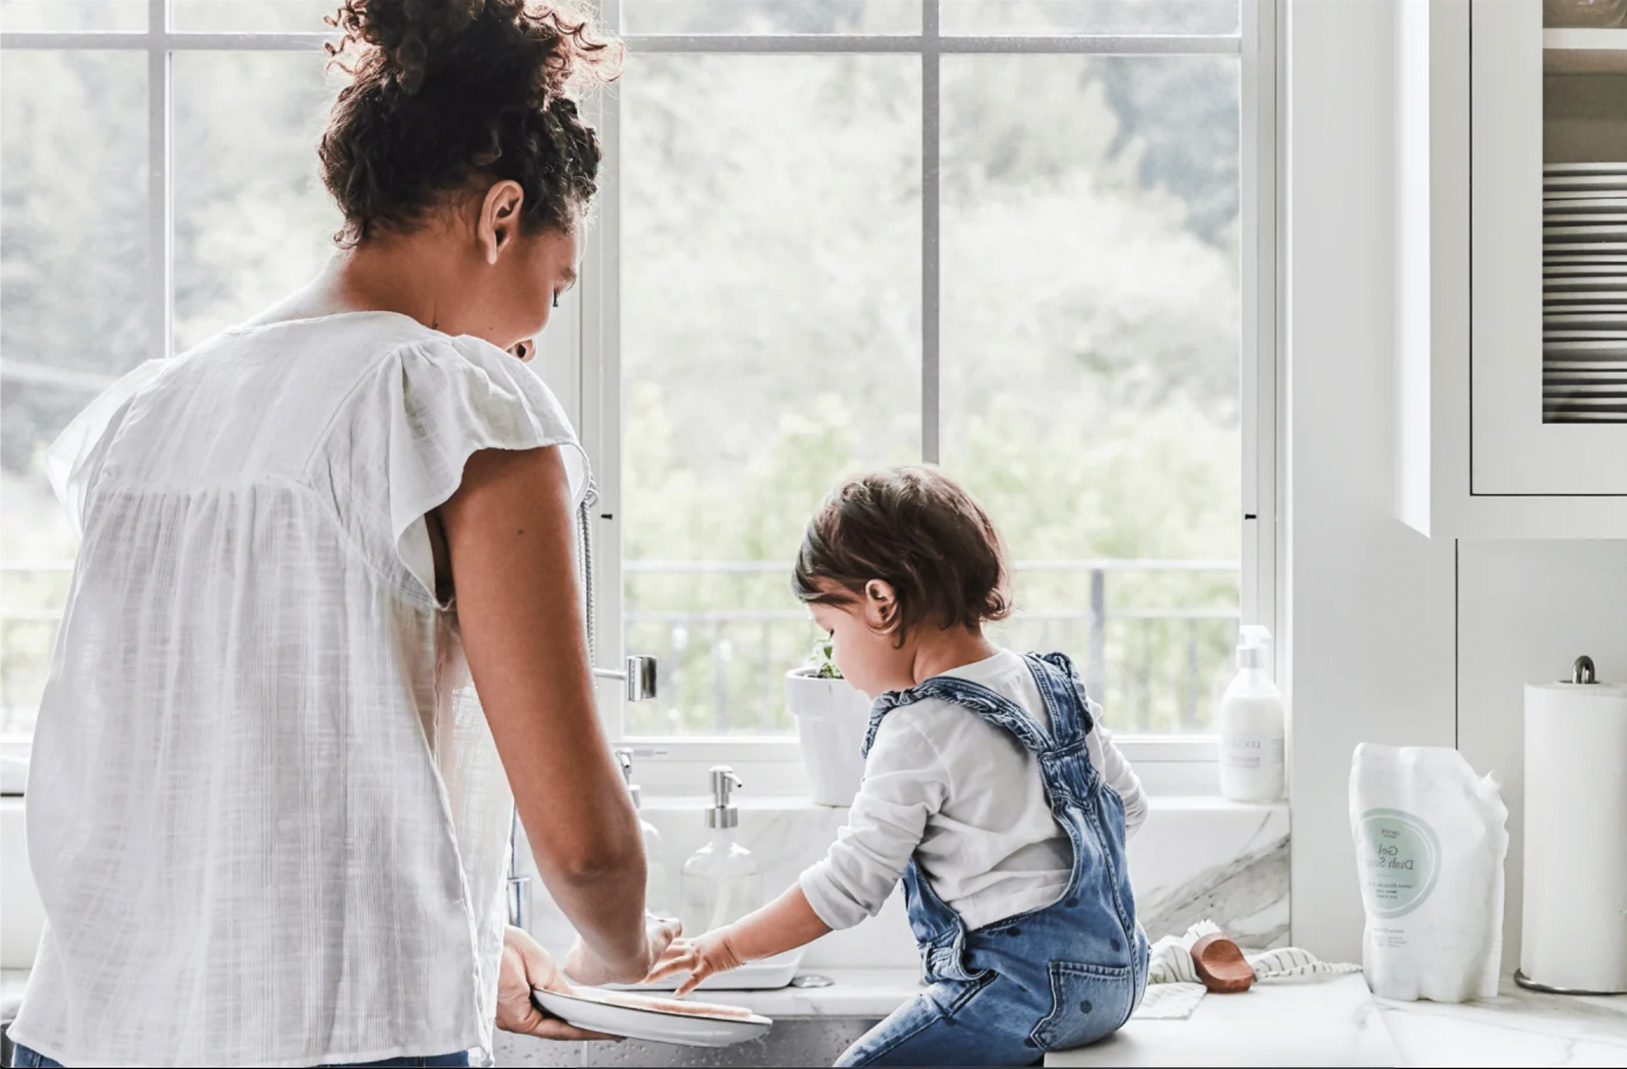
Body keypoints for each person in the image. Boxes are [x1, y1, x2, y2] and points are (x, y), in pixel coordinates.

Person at [8, 3, 673, 1066]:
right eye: (553, 291)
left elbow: (229, 781)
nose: (533, 341)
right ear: (500, 216)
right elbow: (587, 850)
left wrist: (465, 943)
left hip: (83, 1031)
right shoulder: (453, 405)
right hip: (341, 1042)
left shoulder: (151, 412)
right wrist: (620, 959)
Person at [654, 467, 1151, 1067]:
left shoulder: (917, 725)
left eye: (830, 629)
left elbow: (848, 887)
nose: (835, 654)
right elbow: (1128, 808)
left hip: (1022, 992)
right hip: (1121, 980)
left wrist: (726, 948)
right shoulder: (1052, 684)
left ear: (881, 603)